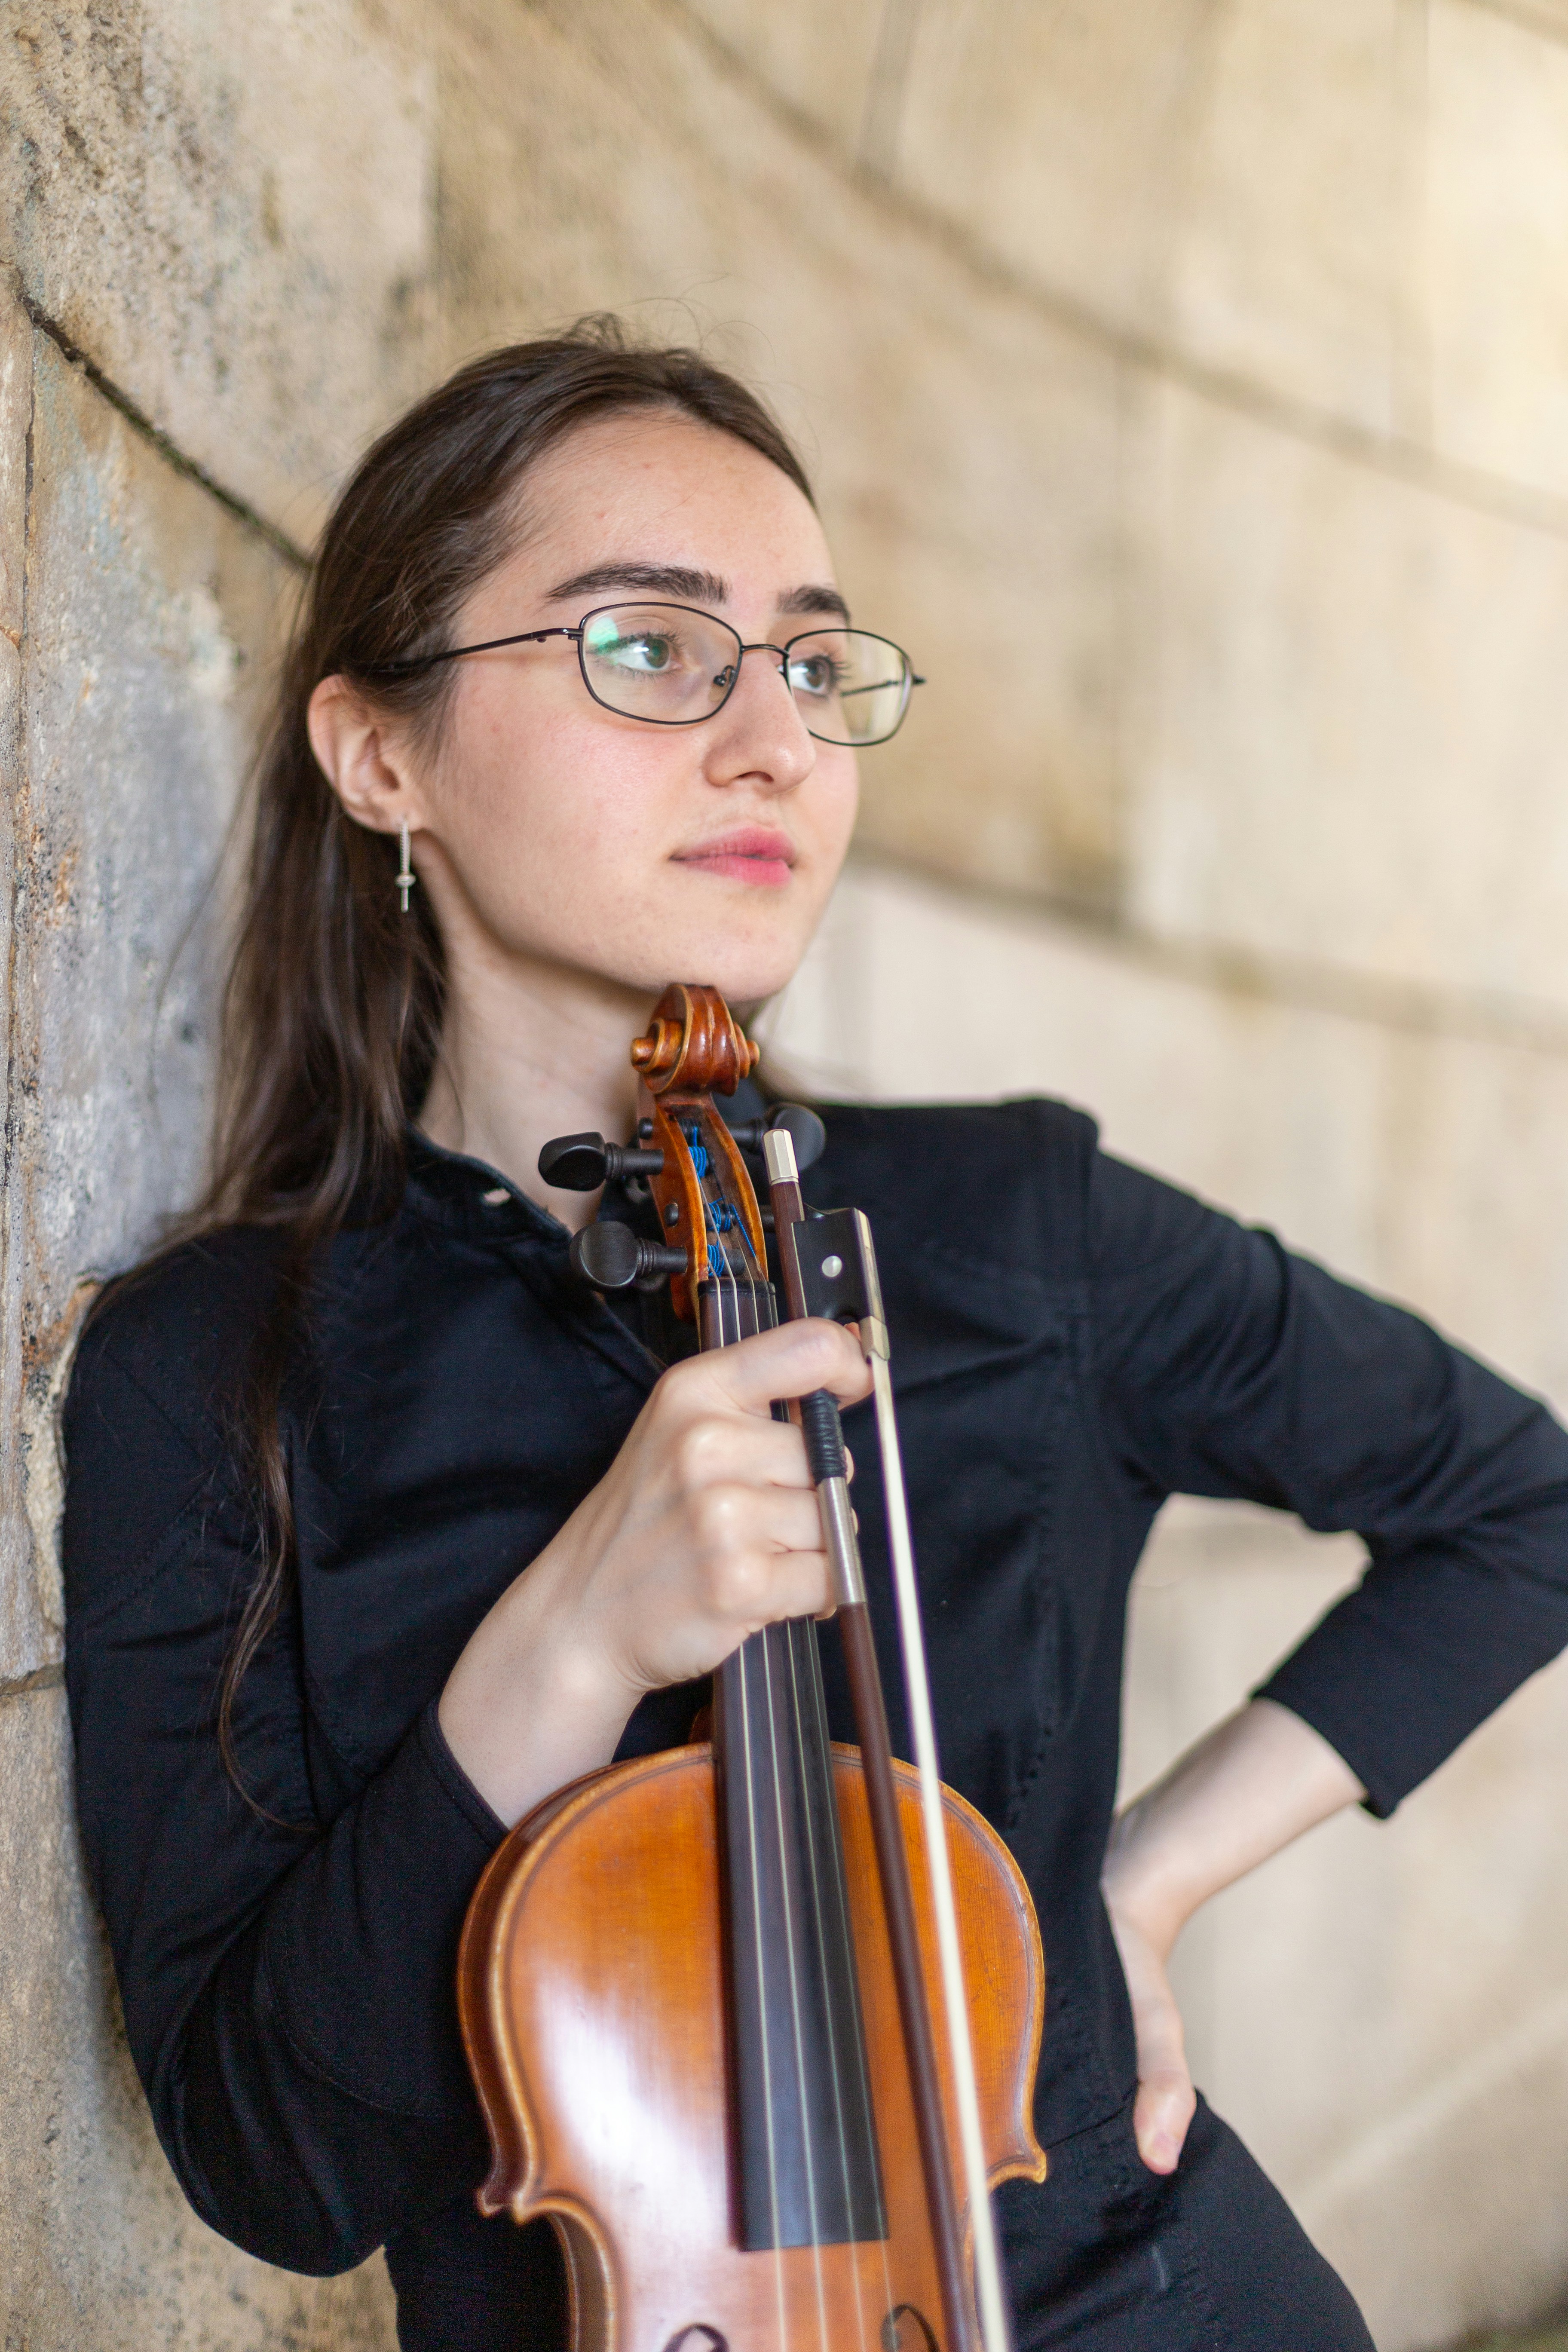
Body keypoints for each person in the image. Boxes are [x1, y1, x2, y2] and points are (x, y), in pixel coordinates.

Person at [62, 319, 1568, 2352]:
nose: (771, 739)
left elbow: (1520, 1504)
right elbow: (274, 2167)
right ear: (380, 754)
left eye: (812, 664)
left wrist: (1131, 1890)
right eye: (647, 649)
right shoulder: (216, 1367)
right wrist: (572, 1640)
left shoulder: (1017, 1232)